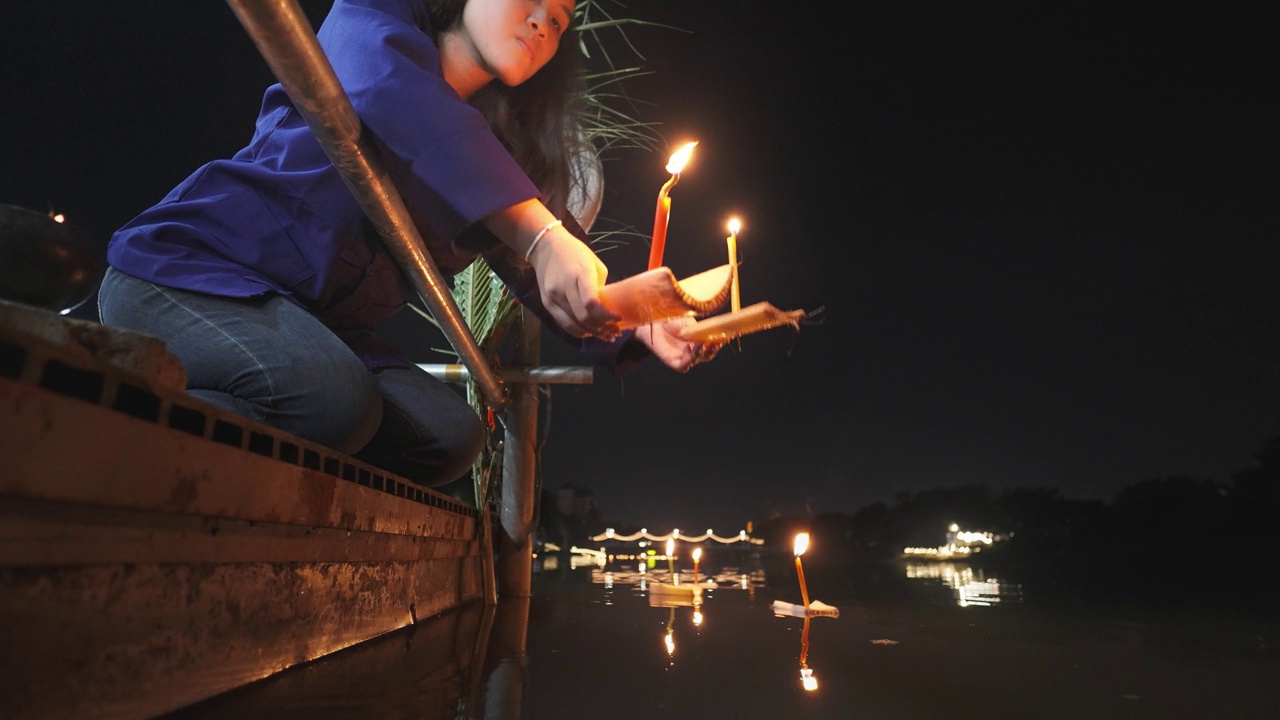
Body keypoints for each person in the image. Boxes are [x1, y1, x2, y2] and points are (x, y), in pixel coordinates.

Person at [98, 0, 718, 488]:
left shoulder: (494, 165)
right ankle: (94, 414)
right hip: (187, 279)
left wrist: (641, 322)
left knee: (448, 435)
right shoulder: (372, 23)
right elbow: (398, 98)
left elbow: (553, 275)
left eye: (559, 21)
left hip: (308, 333)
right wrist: (544, 236)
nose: (541, 21)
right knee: (334, 401)